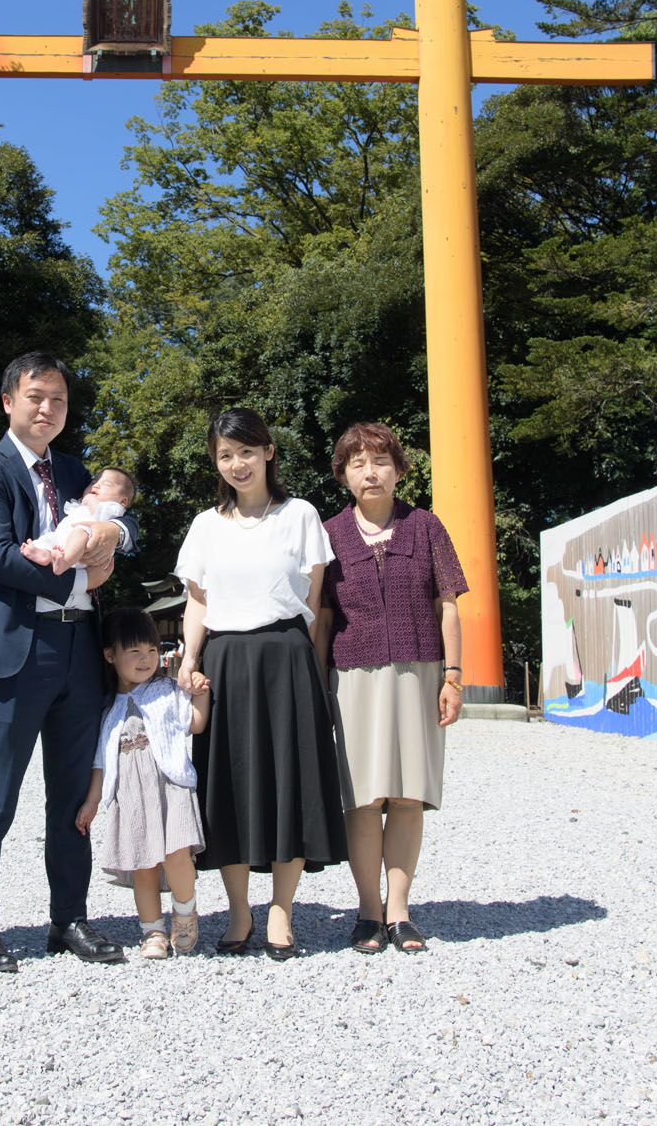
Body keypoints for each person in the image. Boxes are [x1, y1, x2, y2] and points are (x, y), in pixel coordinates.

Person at [0, 352, 139, 972]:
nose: (46, 409)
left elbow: (121, 521)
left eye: (57, 399)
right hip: (17, 649)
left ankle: (70, 918)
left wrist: (112, 538)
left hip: (79, 650)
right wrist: (81, 573)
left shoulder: (78, 469)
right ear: (8, 401)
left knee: (72, 794)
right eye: (34, 397)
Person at [174, 408, 345, 960]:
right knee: (227, 782)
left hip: (287, 657)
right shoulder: (205, 525)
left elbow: (315, 602)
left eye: (246, 451)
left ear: (269, 452)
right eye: (225, 455)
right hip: (223, 659)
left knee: (288, 781)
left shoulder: (300, 515)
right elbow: (197, 601)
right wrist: (189, 659)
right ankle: (239, 910)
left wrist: (312, 672)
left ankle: (281, 912)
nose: (237, 464)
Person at [313, 422, 468, 955]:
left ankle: (400, 911)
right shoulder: (329, 534)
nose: (369, 471)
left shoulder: (426, 527)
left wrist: (453, 675)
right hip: (351, 676)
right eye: (357, 463)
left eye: (379, 460)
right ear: (343, 475)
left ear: (399, 470)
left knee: (407, 797)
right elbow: (322, 616)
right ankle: (367, 911)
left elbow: (448, 603)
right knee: (361, 798)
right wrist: (315, 683)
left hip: (419, 672)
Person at [75, 608, 209, 959]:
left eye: (151, 650)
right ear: (110, 655)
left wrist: (201, 692)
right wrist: (92, 802)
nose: (145, 659)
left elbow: (195, 723)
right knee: (143, 865)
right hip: (131, 793)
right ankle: (152, 931)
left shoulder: (167, 690)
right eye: (134, 651)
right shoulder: (107, 707)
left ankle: (185, 913)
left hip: (170, 786)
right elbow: (100, 762)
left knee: (177, 854)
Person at [21, 467, 137, 573]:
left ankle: (64, 562)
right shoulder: (82, 501)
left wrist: (90, 500)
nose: (95, 486)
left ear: (123, 501)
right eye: (93, 482)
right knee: (51, 538)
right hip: (65, 538)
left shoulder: (114, 508)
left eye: (106, 484)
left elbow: (101, 516)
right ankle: (45, 554)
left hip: (87, 546)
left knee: (80, 533)